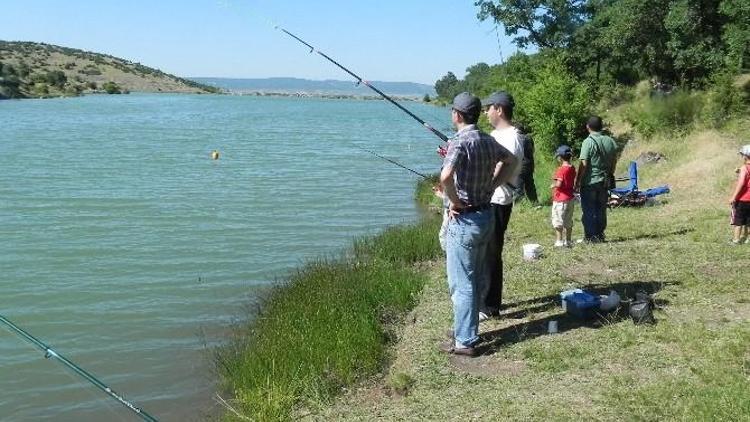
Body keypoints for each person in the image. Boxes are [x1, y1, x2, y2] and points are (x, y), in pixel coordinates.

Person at [440, 92, 518, 356]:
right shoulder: (487, 139)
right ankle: (467, 328)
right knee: (473, 278)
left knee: (461, 282)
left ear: (457, 115)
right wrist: (493, 184)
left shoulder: (460, 142)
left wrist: (454, 201)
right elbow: (511, 161)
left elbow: (446, 175)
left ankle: (465, 341)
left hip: (465, 220)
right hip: (486, 215)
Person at [478, 91, 523, 320]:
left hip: (498, 199)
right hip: (489, 197)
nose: (486, 112)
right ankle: (484, 299)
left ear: (500, 109)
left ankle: (489, 306)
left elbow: (504, 168)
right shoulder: (496, 134)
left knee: (491, 252)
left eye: (489, 108)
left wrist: (487, 183)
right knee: (484, 250)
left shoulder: (511, 137)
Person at [574, 116, 618, 242]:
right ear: (601, 126)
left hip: (589, 182)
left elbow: (584, 164)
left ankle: (590, 236)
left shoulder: (588, 142)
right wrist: (610, 173)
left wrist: (577, 181)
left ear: (588, 126)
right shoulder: (610, 141)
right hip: (604, 181)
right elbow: (614, 161)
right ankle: (600, 234)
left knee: (589, 210)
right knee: (601, 209)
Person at [551, 145, 577, 247]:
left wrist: (553, 185)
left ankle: (559, 241)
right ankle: (568, 240)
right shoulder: (572, 168)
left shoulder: (561, 169)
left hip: (560, 199)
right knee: (568, 220)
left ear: (560, 158)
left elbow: (559, 184)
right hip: (570, 197)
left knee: (558, 220)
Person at [729, 144, 750, 244]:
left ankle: (736, 240)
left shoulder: (745, 168)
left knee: (739, 221)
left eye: (742, 155)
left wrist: (733, 197)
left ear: (745, 156)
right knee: (748, 221)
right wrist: (740, 172)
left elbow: (741, 183)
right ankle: (747, 238)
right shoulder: (744, 169)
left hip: (743, 199)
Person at [515, 128, 538, 203]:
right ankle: (535, 202)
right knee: (530, 184)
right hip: (530, 163)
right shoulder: (529, 138)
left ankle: (520, 204)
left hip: (520, 165)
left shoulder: (517, 139)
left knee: (518, 186)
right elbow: (533, 150)